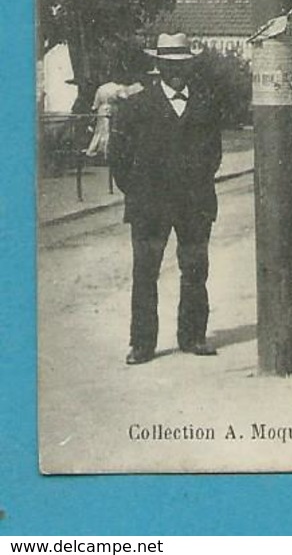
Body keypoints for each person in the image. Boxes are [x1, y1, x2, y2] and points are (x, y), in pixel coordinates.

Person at [109, 34, 224, 364]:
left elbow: (213, 152)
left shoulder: (205, 103)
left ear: (190, 66)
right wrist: (138, 190)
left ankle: (193, 337)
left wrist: (196, 181)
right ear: (157, 66)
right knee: (146, 273)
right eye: (168, 65)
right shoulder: (136, 106)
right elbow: (118, 156)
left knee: (195, 270)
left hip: (195, 204)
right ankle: (142, 344)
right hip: (149, 206)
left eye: (182, 65)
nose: (176, 71)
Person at [84, 72, 142, 159]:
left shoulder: (101, 88)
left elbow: (96, 102)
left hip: (102, 109)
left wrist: (95, 108)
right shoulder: (118, 87)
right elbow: (124, 97)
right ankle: (106, 152)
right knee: (110, 131)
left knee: (100, 130)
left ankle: (94, 149)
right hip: (113, 108)